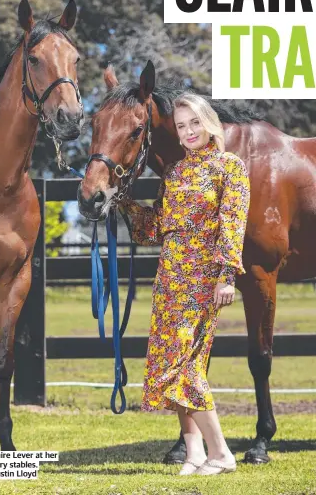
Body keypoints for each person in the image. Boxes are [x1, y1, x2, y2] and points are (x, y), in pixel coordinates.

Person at [119, 92, 250, 476]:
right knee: (167, 362)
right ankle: (194, 453)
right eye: (181, 126)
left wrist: (226, 275)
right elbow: (155, 228)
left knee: (185, 366)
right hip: (169, 280)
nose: (189, 131)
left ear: (209, 123)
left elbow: (232, 223)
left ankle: (221, 453)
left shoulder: (230, 167)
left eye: (195, 123)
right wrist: (122, 202)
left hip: (203, 281)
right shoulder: (174, 174)